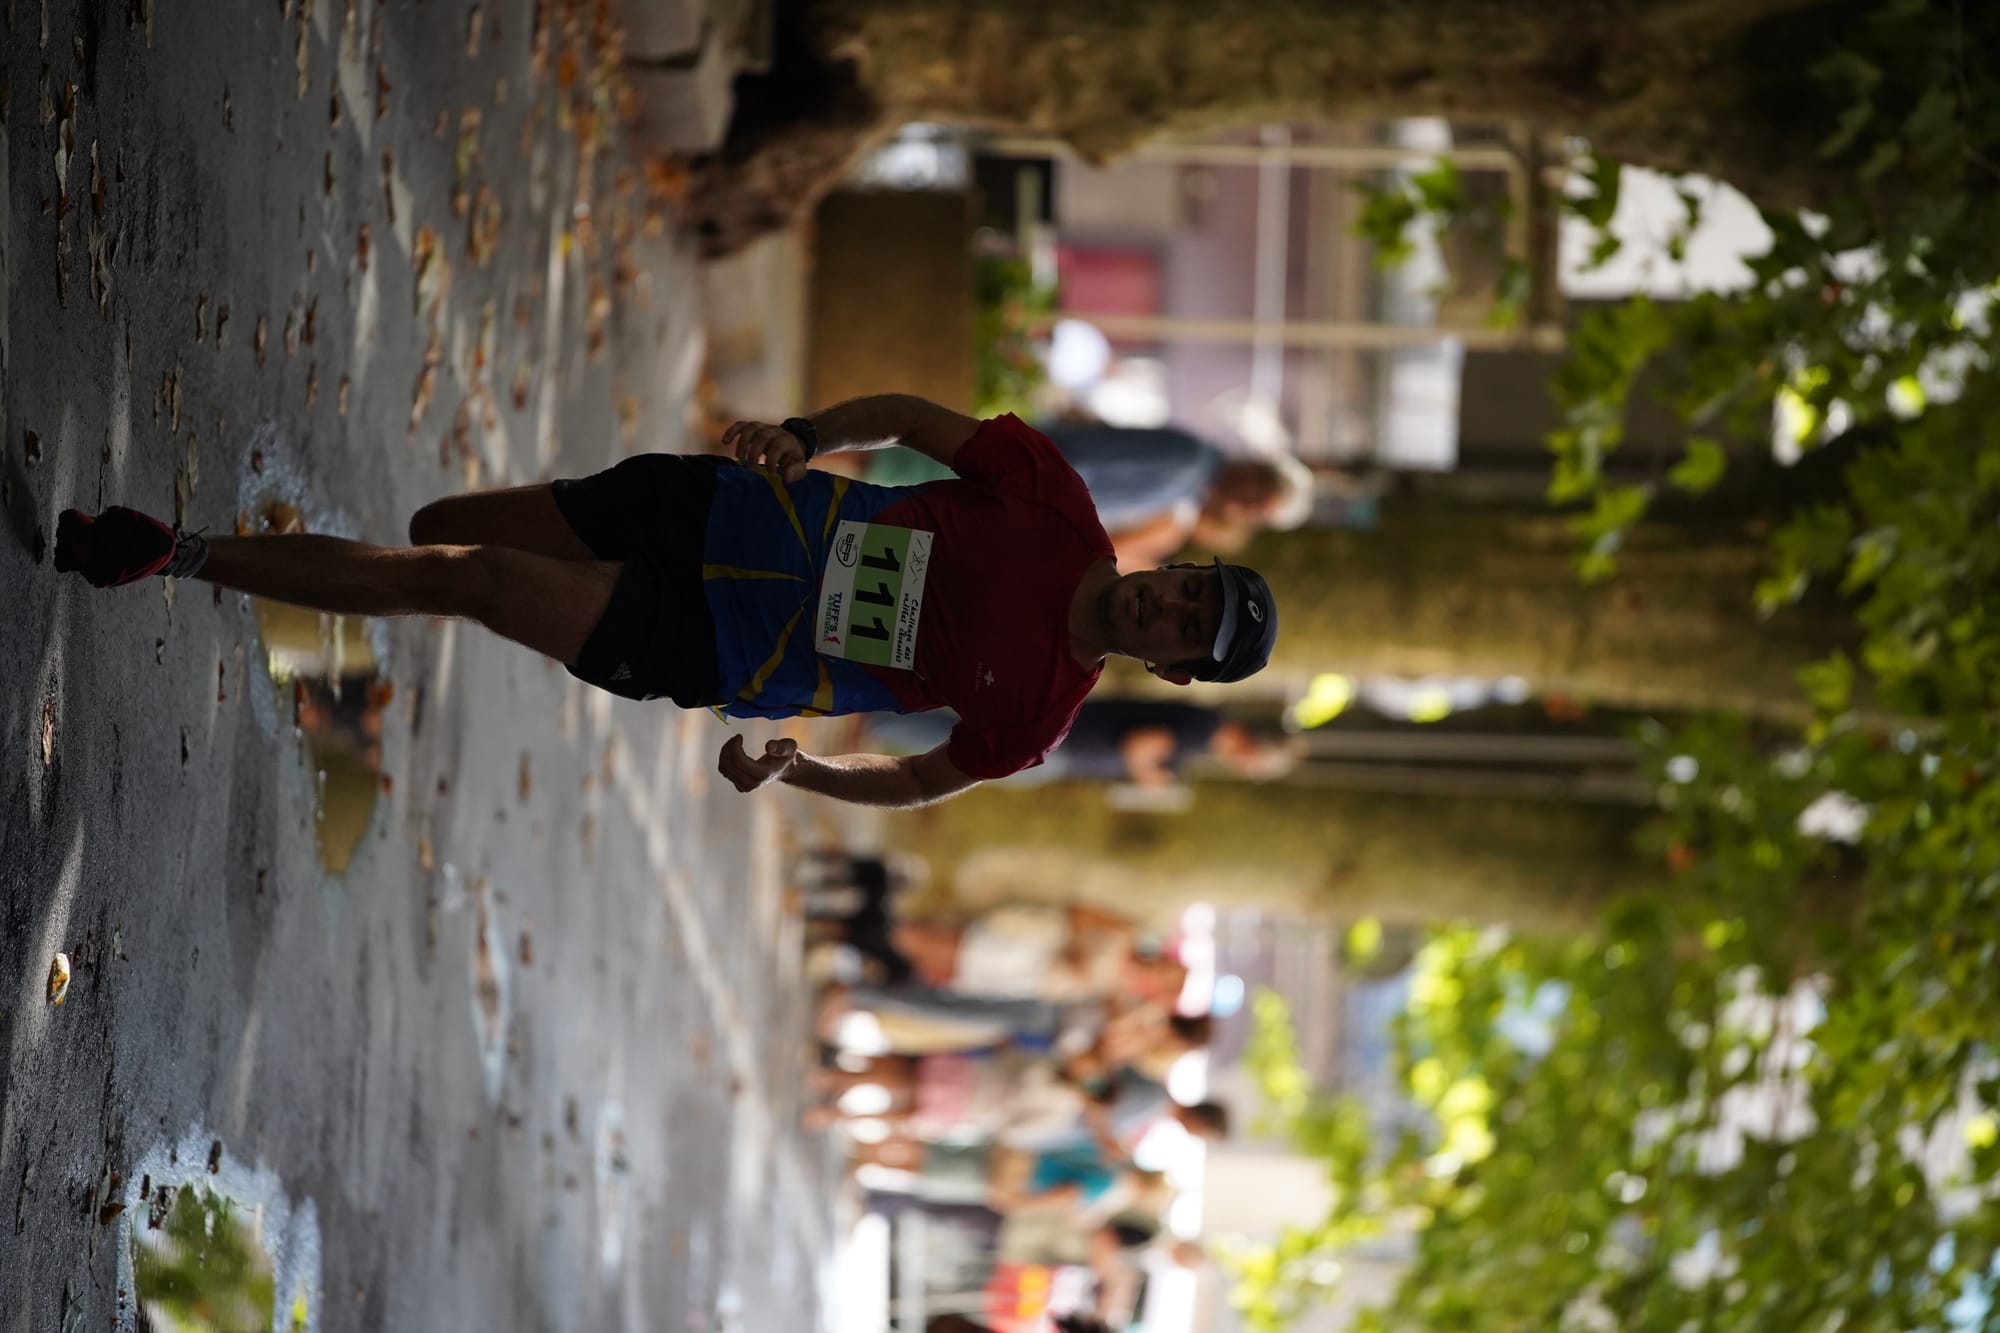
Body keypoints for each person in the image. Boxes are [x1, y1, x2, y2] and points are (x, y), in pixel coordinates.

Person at [52, 395, 1280, 807]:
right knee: (441, 529)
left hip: (713, 641)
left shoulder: (1038, 721)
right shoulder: (1057, 504)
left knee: (465, 580)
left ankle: (174, 553)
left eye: (1185, 629)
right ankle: (231, 559)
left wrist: (794, 770)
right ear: (1176, 568)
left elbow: (913, 783)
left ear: (1171, 672)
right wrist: (803, 434)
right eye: (1187, 590)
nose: (1166, 606)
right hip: (722, 513)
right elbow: (911, 420)